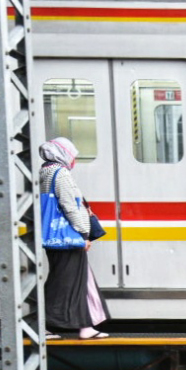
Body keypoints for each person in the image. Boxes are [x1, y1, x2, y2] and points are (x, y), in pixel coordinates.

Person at [39, 137, 110, 340]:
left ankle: (87, 325)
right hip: (67, 237)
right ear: (63, 153)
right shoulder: (60, 173)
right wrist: (83, 234)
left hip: (57, 237)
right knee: (63, 280)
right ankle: (42, 324)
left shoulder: (45, 171)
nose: (74, 161)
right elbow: (70, 206)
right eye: (73, 155)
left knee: (79, 279)